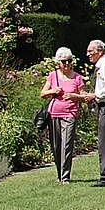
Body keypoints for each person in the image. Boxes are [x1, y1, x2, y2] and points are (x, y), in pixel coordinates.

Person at [79, 39, 105, 186]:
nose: (88, 54)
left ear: (100, 51)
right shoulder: (102, 65)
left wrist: (94, 96)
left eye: (91, 51)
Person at [40, 47, 83, 183]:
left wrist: (74, 96)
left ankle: (65, 177)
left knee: (67, 145)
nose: (67, 64)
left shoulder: (77, 78)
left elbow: (85, 96)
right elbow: (43, 93)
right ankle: (60, 174)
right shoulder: (53, 76)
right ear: (58, 62)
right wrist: (53, 90)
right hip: (54, 114)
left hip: (70, 114)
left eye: (69, 61)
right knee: (56, 145)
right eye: (64, 61)